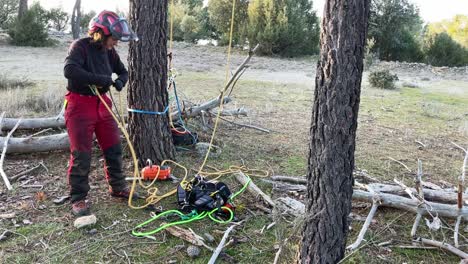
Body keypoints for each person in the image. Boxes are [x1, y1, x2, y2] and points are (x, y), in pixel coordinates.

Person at [63, 10, 138, 216]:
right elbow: (70, 70)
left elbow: (123, 71)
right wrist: (99, 79)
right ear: (101, 33)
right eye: (114, 38)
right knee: (81, 155)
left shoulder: (109, 51)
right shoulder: (80, 46)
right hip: (79, 105)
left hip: (103, 104)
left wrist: (121, 81)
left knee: (113, 147)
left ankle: (118, 186)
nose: (116, 43)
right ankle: (78, 198)